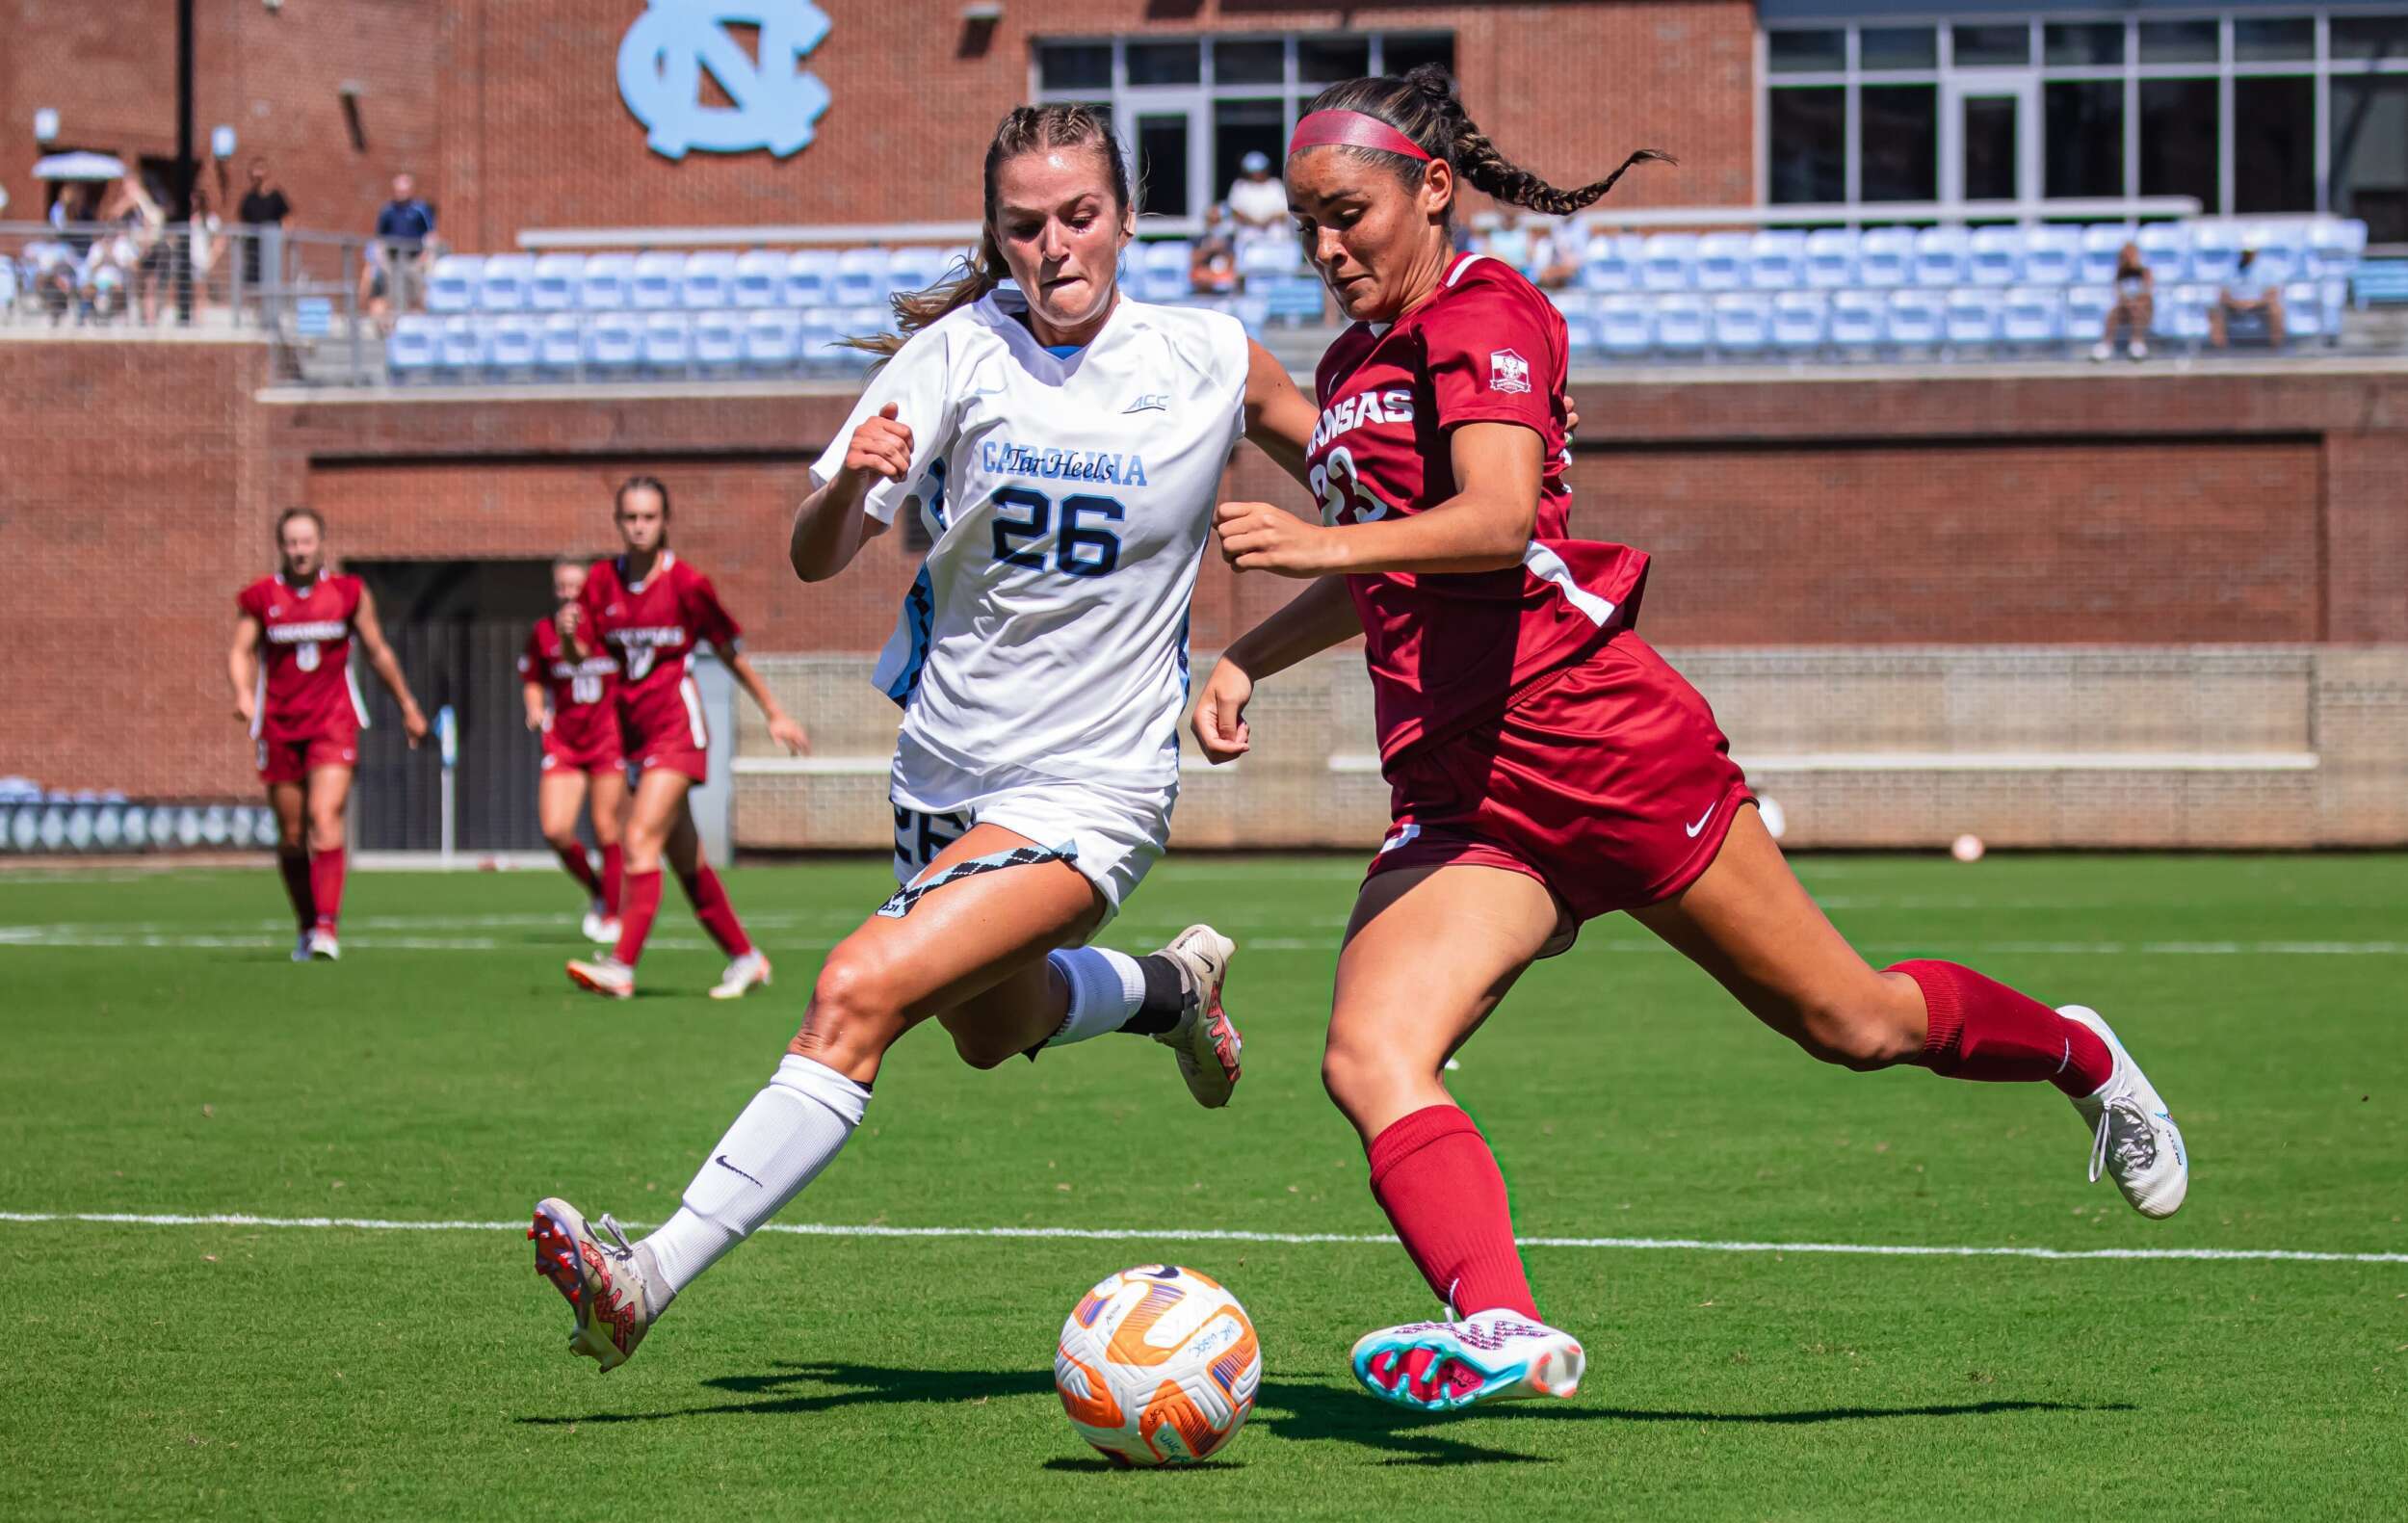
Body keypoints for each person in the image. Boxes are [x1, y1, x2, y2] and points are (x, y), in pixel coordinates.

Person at [1192, 65, 2192, 1416]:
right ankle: (1500, 1322)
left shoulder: (1493, 310)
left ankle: (2078, 1053)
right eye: (1305, 224)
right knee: (1369, 1054)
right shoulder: (1352, 363)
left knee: (1852, 1021)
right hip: (1466, 795)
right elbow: (1392, 569)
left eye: (1349, 213)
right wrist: (1248, 654)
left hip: (1601, 745)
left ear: (1433, 189)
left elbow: (1494, 524)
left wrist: (1319, 536)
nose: (1325, 248)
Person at [524, 102, 1336, 1374]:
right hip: (945, 779)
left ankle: (642, 1278)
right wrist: (853, 482)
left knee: (856, 990)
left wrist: (1296, 606)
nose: (1055, 247)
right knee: (987, 1026)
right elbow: (815, 551)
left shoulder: (1212, 358)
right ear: (996, 235)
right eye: (1026, 226)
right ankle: (1177, 989)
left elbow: (1366, 496)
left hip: (1101, 787)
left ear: (1127, 219)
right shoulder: (957, 354)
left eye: (1080, 217)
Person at [561, 477, 808, 1001]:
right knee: (686, 863)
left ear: (664, 520)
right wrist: (566, 634)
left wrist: (774, 711)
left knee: (638, 840)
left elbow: (727, 650)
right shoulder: (601, 583)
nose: (639, 526)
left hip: (678, 730)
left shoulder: (688, 584)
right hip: (635, 734)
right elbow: (582, 655)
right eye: (630, 517)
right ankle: (746, 959)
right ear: (618, 522)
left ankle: (621, 967)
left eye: (649, 517)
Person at [228, 508, 429, 959]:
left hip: (333, 722)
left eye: (307, 542)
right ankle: (305, 923)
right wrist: (243, 693)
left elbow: (377, 651)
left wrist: (407, 705)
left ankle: (327, 928)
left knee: (326, 816)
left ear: (322, 543)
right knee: (293, 835)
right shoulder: (262, 597)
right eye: (292, 543)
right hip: (279, 726)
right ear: (281, 546)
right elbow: (240, 651)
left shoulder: (348, 593)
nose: (300, 551)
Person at [519, 556, 626, 946]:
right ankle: (598, 889)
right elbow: (532, 678)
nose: (568, 593)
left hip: (608, 740)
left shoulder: (611, 629)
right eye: (561, 586)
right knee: (556, 830)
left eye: (575, 586)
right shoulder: (543, 632)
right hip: (564, 742)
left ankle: (614, 913)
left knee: (606, 827)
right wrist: (534, 707)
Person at [362, 172, 435, 332]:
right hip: (394, 260)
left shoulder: (419, 209)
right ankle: (397, 329)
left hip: (414, 259)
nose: (401, 193)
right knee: (393, 295)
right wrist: (381, 260)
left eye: (404, 189)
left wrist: (426, 256)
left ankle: (420, 328)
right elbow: (380, 237)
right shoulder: (388, 210)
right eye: (398, 190)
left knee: (417, 294)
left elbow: (430, 234)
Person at [237, 159, 292, 303]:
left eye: (260, 170)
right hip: (253, 247)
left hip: (271, 246)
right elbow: (242, 221)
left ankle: (270, 311)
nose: (257, 175)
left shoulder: (276, 196)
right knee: (253, 280)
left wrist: (285, 237)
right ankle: (254, 311)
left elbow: (287, 218)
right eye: (254, 171)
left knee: (271, 279)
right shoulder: (249, 198)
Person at [2212, 246, 2285, 351]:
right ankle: (2220, 350)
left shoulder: (2266, 270)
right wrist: (2237, 303)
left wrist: (2254, 303)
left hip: (2260, 306)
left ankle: (2275, 348)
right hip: (2234, 306)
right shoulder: (2230, 270)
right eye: (2244, 252)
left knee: (2276, 310)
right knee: (2215, 311)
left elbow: (2272, 293)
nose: (2246, 255)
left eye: (2249, 252)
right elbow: (2223, 295)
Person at [2093, 241, 2151, 362]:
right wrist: (2127, 302)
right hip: (2125, 307)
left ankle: (2137, 342)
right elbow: (2118, 293)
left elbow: (2147, 293)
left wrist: (2134, 302)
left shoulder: (2144, 272)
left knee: (2137, 309)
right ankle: (2106, 345)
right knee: (2113, 313)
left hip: (2142, 308)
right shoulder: (2120, 273)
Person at [1226, 148, 1287, 231]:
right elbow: (1234, 211)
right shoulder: (1240, 186)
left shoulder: (1276, 185)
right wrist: (1253, 223)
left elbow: (1284, 212)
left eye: (1260, 171)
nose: (1257, 174)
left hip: (1274, 234)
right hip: (1247, 233)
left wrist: (1267, 222)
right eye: (1254, 171)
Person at [1191, 201, 1239, 295]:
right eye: (1211, 220)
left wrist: (1222, 249)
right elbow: (1194, 261)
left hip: (1222, 273)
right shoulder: (1199, 238)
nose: (1214, 224)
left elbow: (1232, 264)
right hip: (1205, 274)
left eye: (1217, 221)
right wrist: (1208, 249)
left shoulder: (1229, 239)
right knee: (1200, 276)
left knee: (1228, 278)